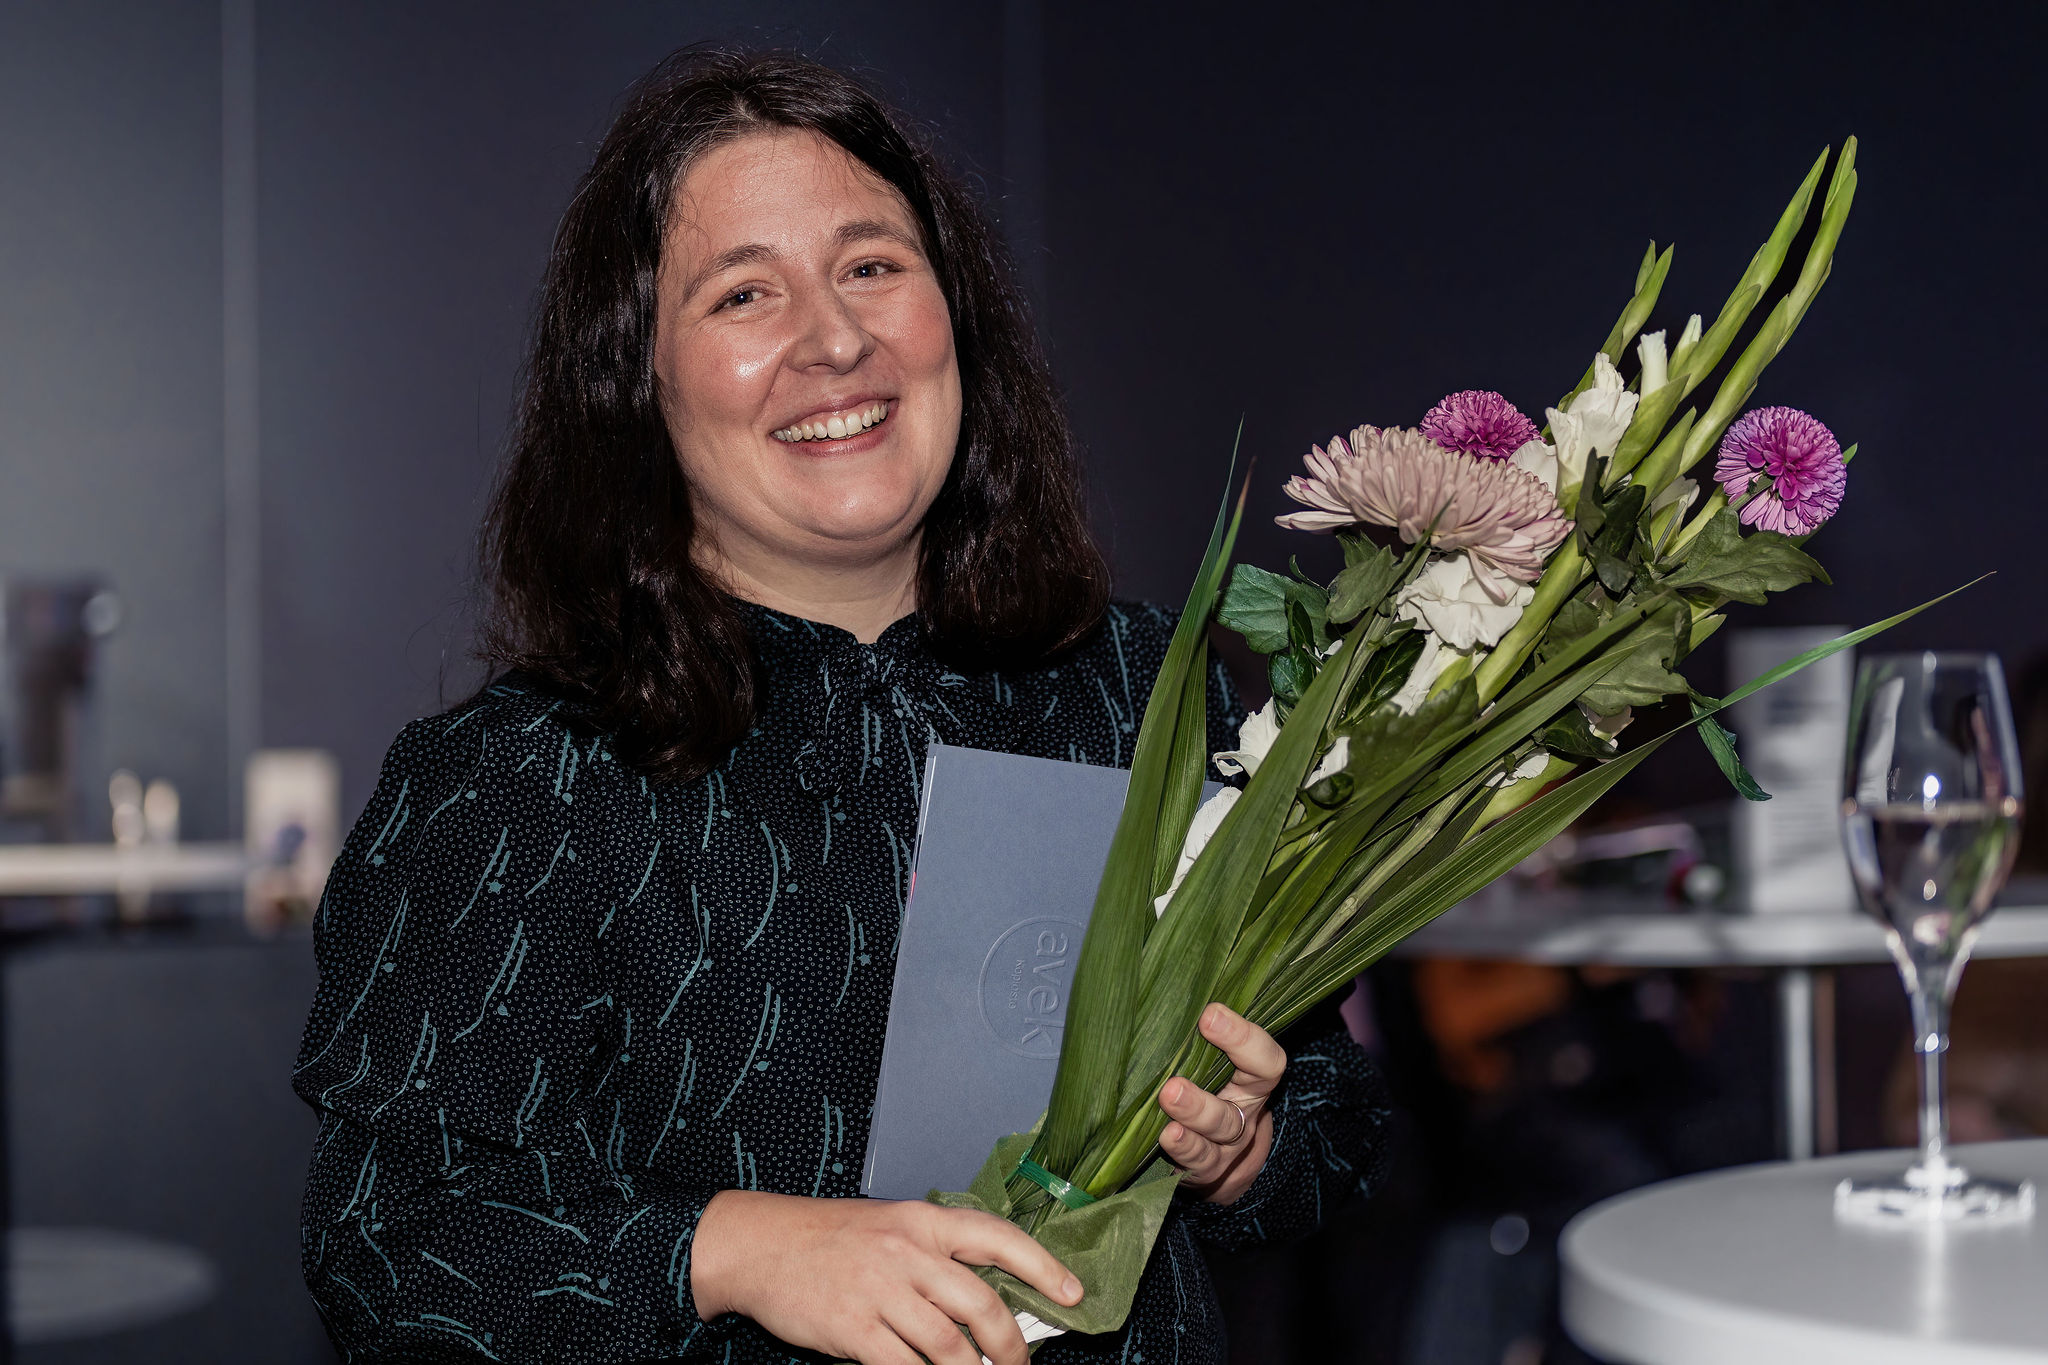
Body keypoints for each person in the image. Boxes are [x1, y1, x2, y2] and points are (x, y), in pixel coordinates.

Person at [292, 47, 1390, 1365]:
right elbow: (393, 1246)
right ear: (636, 383)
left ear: (956, 317)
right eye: (744, 292)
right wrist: (739, 1245)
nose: (833, 338)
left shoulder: (1141, 687)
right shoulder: (514, 782)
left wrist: (1250, 1143)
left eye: (872, 264)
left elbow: (1334, 1121)